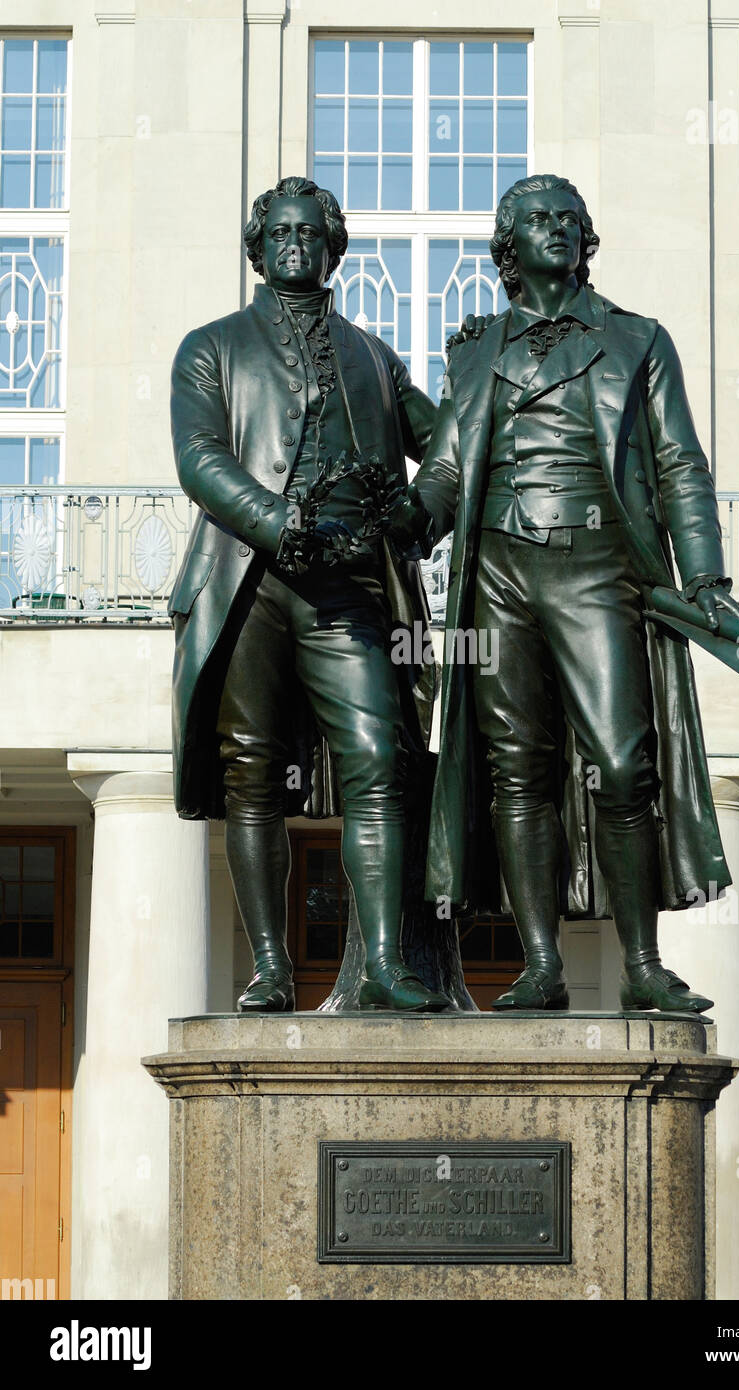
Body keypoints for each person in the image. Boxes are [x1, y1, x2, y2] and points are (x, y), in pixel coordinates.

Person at [390, 173, 739, 1013]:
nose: (556, 229)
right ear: (507, 247)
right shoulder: (476, 352)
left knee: (625, 765)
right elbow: (445, 474)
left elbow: (678, 468)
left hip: (598, 564)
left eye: (570, 219)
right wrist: (388, 529)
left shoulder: (637, 340)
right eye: (536, 220)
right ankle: (541, 964)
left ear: (587, 239)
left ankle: (642, 965)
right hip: (501, 575)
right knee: (518, 770)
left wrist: (704, 580)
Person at [169, 175, 449, 1013]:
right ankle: (270, 966)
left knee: (378, 760)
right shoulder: (210, 346)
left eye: (311, 232)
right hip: (247, 580)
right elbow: (200, 457)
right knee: (252, 772)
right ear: (257, 250)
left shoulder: (373, 355)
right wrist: (275, 520)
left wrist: (416, 513)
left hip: (349, 589)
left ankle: (385, 964)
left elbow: (447, 446)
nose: (296, 243)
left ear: (334, 248)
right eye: (280, 232)